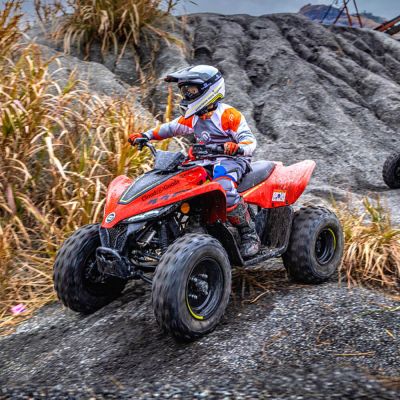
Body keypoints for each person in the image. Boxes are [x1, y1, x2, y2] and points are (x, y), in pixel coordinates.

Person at [129, 65, 260, 258]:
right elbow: (169, 128)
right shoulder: (193, 118)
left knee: (224, 186)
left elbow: (249, 140)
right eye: (184, 90)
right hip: (203, 160)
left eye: (191, 90)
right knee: (176, 182)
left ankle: (249, 234)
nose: (186, 94)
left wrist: (237, 147)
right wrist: (145, 135)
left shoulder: (228, 115)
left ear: (210, 89)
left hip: (232, 160)